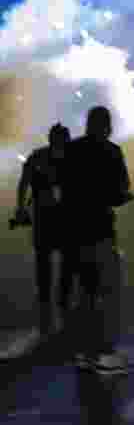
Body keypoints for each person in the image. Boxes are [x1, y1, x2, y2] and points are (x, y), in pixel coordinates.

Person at [61, 106, 134, 375]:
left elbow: (62, 187)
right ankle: (104, 354)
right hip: (100, 230)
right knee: (108, 292)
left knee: (86, 292)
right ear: (107, 125)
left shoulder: (71, 150)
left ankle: (83, 352)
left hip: (74, 232)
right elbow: (119, 192)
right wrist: (123, 198)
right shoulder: (111, 152)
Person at [14, 123, 75, 338]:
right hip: (53, 218)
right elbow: (24, 183)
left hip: (55, 217)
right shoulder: (69, 158)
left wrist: (21, 208)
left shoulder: (40, 157)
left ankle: (53, 304)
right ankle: (57, 303)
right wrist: (21, 207)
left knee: (53, 263)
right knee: (56, 262)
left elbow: (24, 184)